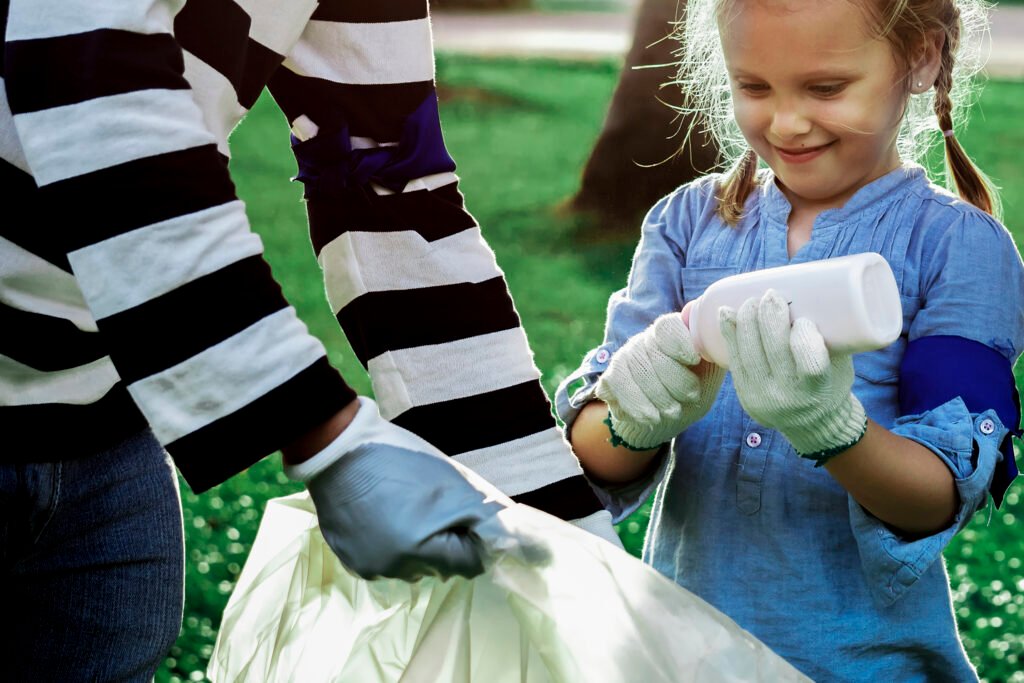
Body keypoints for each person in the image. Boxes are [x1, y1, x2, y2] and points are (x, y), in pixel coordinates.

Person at [0, 0, 618, 680]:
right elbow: (83, 65)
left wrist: (571, 551)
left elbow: (390, 188)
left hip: (98, 416)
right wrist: (325, 436)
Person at [555, 0, 1024, 679]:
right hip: (680, 657)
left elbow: (941, 491)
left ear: (920, 56)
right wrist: (636, 411)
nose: (786, 122)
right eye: (753, 87)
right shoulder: (687, 225)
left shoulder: (957, 247)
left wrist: (831, 426)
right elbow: (590, 452)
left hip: (860, 665)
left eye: (826, 88)